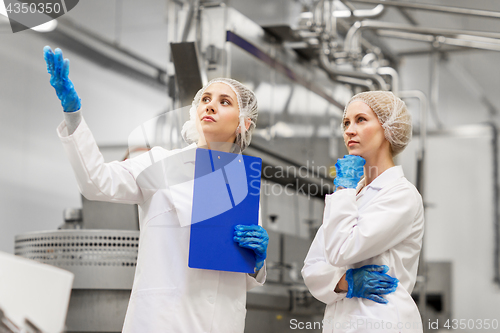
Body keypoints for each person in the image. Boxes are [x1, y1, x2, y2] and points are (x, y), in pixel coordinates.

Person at [43, 46, 269, 333]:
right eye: (206, 99)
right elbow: (96, 181)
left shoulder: (244, 184)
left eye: (225, 102)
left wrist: (258, 261)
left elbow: (240, 271)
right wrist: (73, 114)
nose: (210, 106)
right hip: (163, 319)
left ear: (244, 123)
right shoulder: (160, 162)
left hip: (222, 321)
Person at [302, 91, 424, 333]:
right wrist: (342, 281)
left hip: (382, 320)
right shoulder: (352, 195)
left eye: (361, 120)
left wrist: (344, 189)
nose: (349, 130)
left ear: (388, 129)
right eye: (346, 122)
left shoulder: (401, 195)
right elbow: (312, 266)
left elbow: (340, 250)